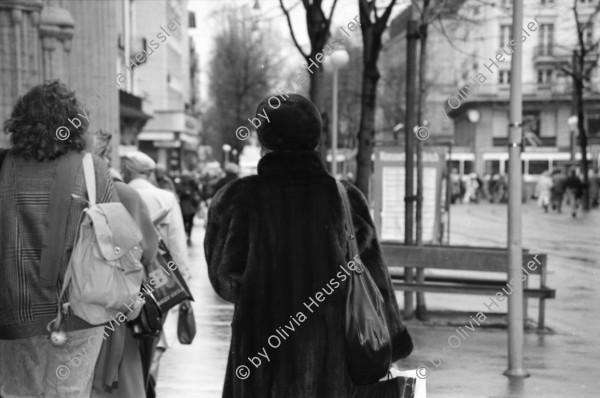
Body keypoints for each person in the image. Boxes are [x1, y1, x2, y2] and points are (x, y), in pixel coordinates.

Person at [204, 94, 413, 398]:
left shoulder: (236, 197)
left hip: (261, 349)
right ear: (315, 138)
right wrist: (391, 338)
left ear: (263, 139)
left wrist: (265, 294)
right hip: (332, 349)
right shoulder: (344, 197)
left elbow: (224, 281)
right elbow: (373, 277)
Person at [0, 81, 118, 397]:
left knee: (18, 392)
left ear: (20, 122)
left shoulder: (2, 166)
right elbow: (114, 240)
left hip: (14, 309)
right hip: (79, 307)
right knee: (71, 390)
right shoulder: (93, 169)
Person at [91, 131, 159, 398]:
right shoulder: (123, 194)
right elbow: (148, 252)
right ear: (105, 158)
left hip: (71, 308)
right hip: (119, 307)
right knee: (123, 378)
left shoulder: (64, 191)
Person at [121, 151, 191, 398]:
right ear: (150, 172)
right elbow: (176, 243)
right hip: (159, 275)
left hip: (123, 276)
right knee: (155, 333)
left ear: (127, 170)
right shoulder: (165, 197)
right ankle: (148, 385)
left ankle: (132, 385)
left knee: (126, 339)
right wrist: (182, 279)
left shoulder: (115, 193)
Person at [175, 172, 202, 245]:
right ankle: (188, 235)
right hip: (188, 205)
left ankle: (186, 234)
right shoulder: (192, 184)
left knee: (185, 221)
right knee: (189, 222)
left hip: (186, 205)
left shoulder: (181, 184)